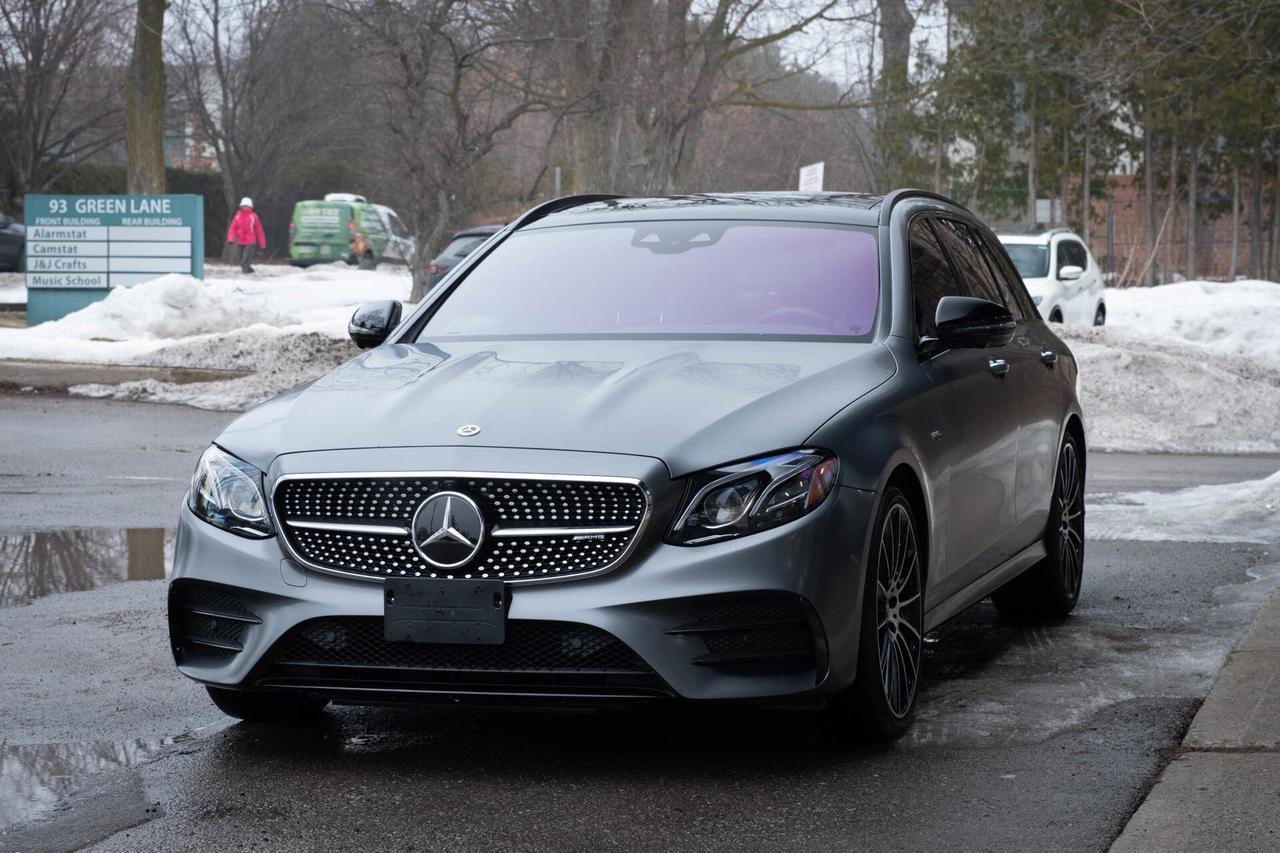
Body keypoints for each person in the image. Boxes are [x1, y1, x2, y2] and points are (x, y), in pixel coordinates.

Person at [226, 197, 266, 273]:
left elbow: (259, 230)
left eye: (247, 206)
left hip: (250, 241)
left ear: (250, 207)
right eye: (243, 206)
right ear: (241, 206)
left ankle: (245, 272)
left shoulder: (253, 217)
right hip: (240, 241)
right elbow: (232, 228)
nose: (245, 207)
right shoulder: (237, 216)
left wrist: (262, 243)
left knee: (245, 258)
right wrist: (230, 239)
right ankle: (248, 269)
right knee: (240, 259)